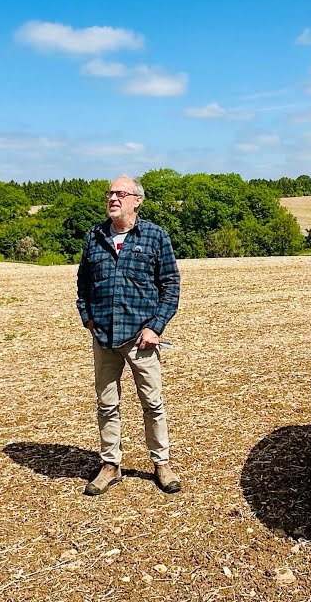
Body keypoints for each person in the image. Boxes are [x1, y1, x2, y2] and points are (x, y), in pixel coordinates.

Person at [76, 175, 182, 495]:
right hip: (104, 337)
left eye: (120, 193)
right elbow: (83, 285)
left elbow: (170, 285)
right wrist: (88, 319)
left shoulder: (154, 236)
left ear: (137, 201)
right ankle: (111, 465)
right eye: (110, 193)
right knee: (106, 404)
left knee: (152, 403)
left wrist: (155, 327)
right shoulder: (95, 237)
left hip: (141, 338)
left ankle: (161, 463)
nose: (113, 198)